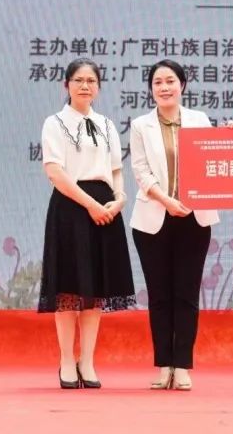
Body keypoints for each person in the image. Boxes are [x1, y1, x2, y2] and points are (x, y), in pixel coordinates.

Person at [37, 58, 134, 390]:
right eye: (78, 80)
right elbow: (55, 172)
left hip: (105, 208)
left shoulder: (106, 124)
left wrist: (119, 199)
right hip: (71, 207)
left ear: (99, 87)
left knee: (94, 292)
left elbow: (116, 169)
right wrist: (91, 205)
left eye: (91, 81)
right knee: (68, 290)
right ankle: (67, 360)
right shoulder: (54, 123)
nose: (85, 86)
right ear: (66, 85)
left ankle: (88, 361)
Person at [129, 59, 219, 391]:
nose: (164, 87)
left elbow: (213, 161)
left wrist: (232, 135)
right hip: (153, 219)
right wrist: (167, 201)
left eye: (170, 81)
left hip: (195, 218)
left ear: (182, 85)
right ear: (151, 89)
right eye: (158, 82)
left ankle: (182, 366)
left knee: (186, 293)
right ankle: (163, 365)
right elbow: (141, 172)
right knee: (159, 295)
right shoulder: (140, 125)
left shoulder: (200, 120)